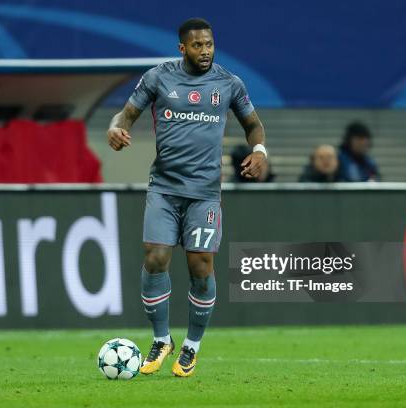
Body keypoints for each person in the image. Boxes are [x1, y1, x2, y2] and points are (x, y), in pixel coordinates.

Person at [106, 17, 267, 377]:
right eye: (198, 45)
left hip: (205, 193)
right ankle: (162, 339)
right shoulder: (158, 77)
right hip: (163, 187)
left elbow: (253, 123)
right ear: (183, 48)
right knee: (156, 257)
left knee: (200, 266)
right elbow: (126, 114)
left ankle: (192, 346)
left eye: (209, 44)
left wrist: (259, 150)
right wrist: (116, 128)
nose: (205, 51)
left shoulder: (228, 83)